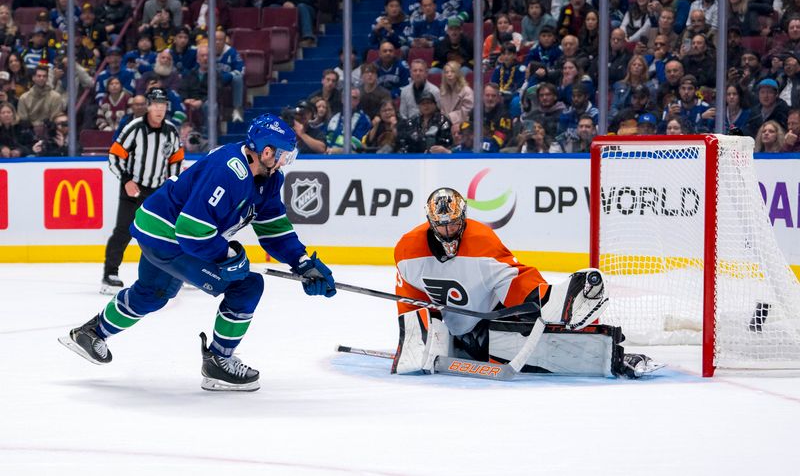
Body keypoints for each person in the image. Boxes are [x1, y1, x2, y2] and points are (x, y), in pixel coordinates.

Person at [61, 114, 337, 392]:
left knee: (153, 293)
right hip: (170, 237)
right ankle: (219, 361)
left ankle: (90, 333)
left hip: (156, 229)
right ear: (266, 152)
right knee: (247, 286)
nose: (285, 162)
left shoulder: (268, 178)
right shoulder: (230, 171)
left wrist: (302, 263)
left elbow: (273, 227)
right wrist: (227, 256)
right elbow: (192, 231)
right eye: (284, 156)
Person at [391, 188, 655, 378]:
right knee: (510, 347)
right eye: (442, 225)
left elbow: (513, 279)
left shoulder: (482, 241)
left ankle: (604, 351)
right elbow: (411, 299)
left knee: (521, 340)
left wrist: (543, 300)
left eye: (454, 224)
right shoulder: (407, 250)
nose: (448, 231)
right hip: (447, 330)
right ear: (430, 222)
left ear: (464, 219)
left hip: (486, 323)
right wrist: (413, 339)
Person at [100, 88, 183, 295]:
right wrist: (126, 179)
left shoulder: (171, 131)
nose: (159, 109)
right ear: (148, 106)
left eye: (162, 105)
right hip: (133, 188)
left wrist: (172, 186)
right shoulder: (134, 128)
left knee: (170, 232)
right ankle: (110, 273)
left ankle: (181, 272)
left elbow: (176, 160)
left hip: (158, 191)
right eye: (155, 104)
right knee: (124, 231)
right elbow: (114, 155)